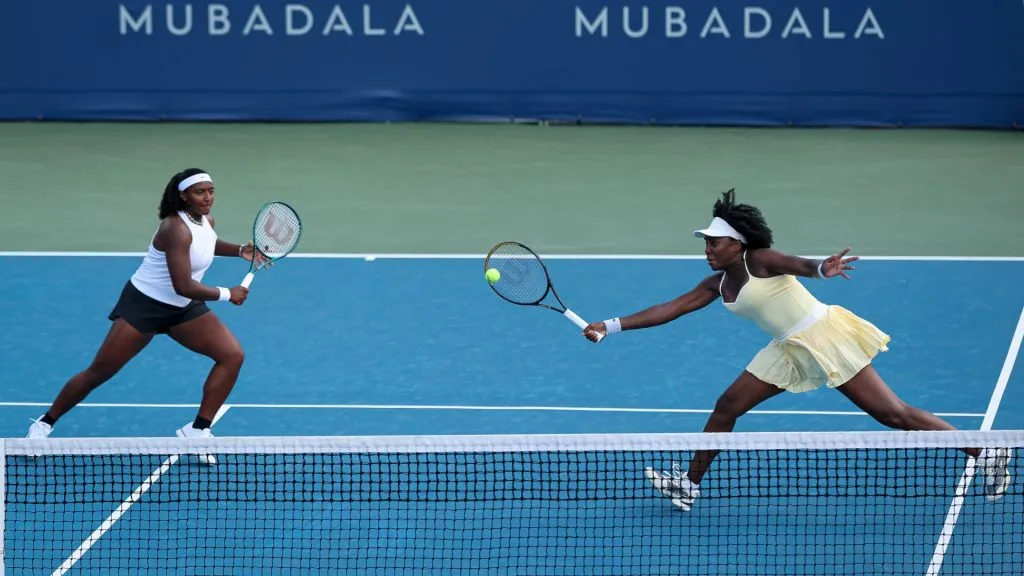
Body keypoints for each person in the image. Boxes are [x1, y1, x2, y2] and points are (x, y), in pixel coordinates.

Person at [582, 189, 1012, 511]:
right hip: (787, 348)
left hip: (823, 336)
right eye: (707, 243)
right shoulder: (716, 284)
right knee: (727, 406)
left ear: (738, 244)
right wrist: (611, 326)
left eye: (715, 243)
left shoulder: (761, 259)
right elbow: (670, 309)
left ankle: (986, 451)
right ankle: (690, 484)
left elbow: (804, 265)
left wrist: (824, 268)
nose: (708, 249)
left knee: (892, 415)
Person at [26, 168, 266, 464]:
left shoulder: (205, 221)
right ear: (183, 196)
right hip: (145, 306)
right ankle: (44, 424)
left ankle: (198, 430)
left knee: (232, 355)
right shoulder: (172, 228)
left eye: (211, 191)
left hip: (183, 308)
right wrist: (228, 294)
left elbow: (206, 243)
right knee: (99, 372)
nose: (208, 198)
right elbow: (183, 284)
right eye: (200, 192)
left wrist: (240, 250)